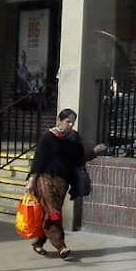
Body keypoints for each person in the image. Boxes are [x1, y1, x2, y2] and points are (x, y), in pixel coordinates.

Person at [25, 108, 107, 260]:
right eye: (67, 121)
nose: (70, 125)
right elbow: (38, 161)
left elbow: (78, 158)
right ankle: (61, 246)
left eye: (72, 122)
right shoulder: (48, 138)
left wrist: (94, 151)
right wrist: (31, 181)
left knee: (51, 213)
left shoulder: (72, 139)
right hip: (45, 179)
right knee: (54, 212)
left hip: (62, 181)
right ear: (59, 120)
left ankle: (38, 243)